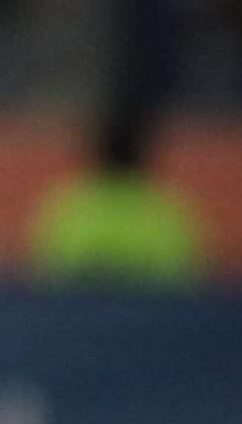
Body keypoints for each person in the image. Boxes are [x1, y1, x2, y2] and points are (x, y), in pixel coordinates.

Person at [28, 100, 205, 287]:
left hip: (80, 314)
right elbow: (191, 278)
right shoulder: (169, 211)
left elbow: (43, 278)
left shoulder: (68, 208)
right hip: (151, 315)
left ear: (97, 154)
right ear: (143, 155)